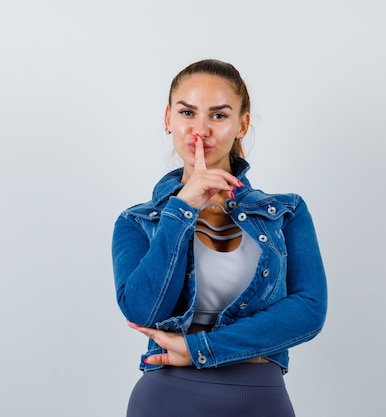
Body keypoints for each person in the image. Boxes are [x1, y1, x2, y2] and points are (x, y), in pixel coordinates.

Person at [111, 59, 327, 417]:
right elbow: (144, 311)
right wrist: (182, 209)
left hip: (260, 399)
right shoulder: (138, 221)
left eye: (218, 116)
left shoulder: (286, 212)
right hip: (167, 398)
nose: (200, 131)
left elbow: (308, 311)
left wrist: (200, 347)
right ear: (168, 119)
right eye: (187, 113)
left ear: (242, 125)